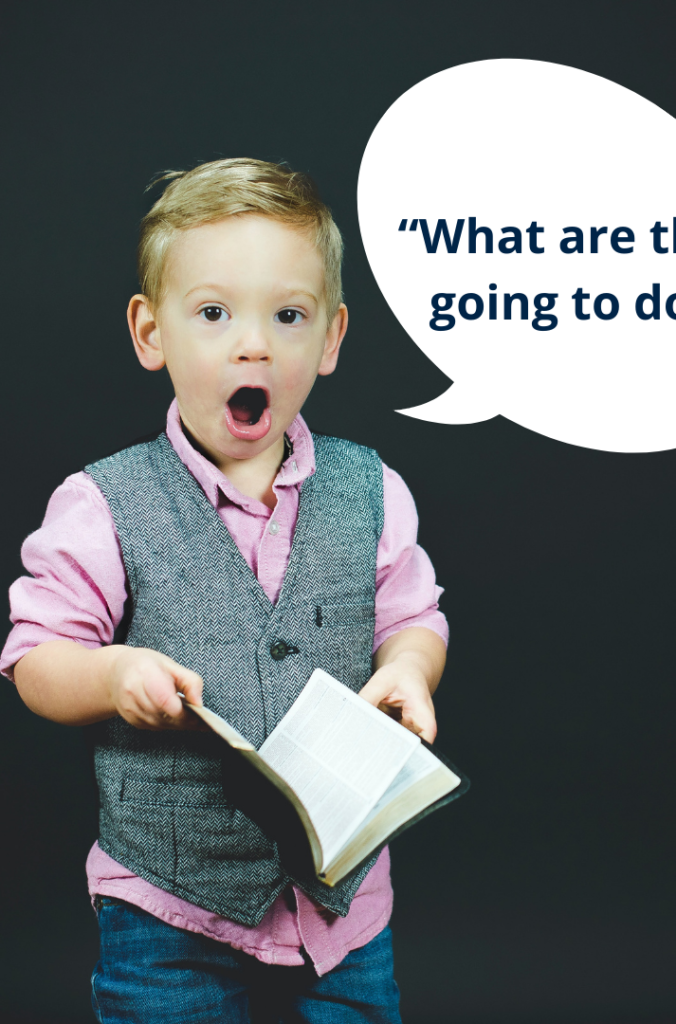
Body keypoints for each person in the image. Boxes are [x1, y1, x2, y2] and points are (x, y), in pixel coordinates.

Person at [1, 157, 448, 1023]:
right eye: (213, 313)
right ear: (150, 333)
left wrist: (410, 669)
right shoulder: (104, 503)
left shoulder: (371, 489)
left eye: (288, 316)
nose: (254, 344)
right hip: (168, 907)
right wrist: (109, 675)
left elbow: (414, 616)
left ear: (330, 340)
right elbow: (32, 658)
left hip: (342, 911)